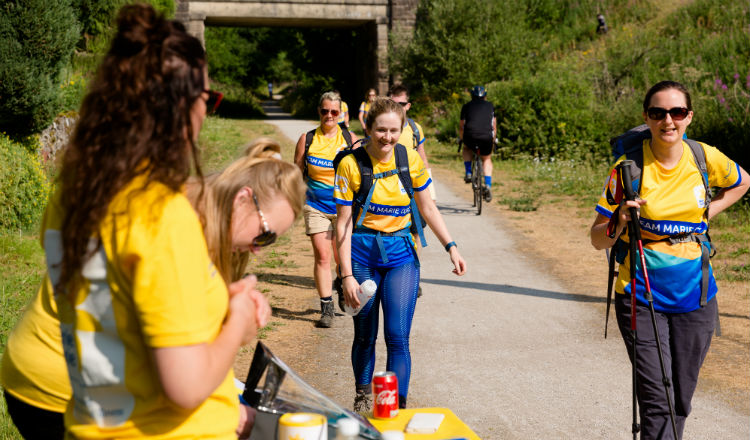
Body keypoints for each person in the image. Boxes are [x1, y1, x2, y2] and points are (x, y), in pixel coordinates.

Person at [0, 5, 271, 439]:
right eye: (209, 100)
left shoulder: (75, 194)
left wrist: (214, 304)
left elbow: (126, 314)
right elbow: (184, 386)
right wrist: (238, 318)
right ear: (180, 107)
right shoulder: (161, 214)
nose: (208, 114)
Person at [590, 80, 749, 439]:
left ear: (688, 116)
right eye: (658, 113)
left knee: (680, 398)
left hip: (697, 295)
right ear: (646, 118)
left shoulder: (703, 157)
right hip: (640, 295)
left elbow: (742, 181)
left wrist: (709, 211)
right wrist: (618, 221)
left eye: (677, 112)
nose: (668, 121)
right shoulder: (627, 169)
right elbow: (596, 238)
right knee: (657, 398)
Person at [334, 97, 467, 413]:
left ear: (402, 130)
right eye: (381, 130)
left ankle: (394, 406)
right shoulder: (350, 165)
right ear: (368, 128)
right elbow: (342, 226)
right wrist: (346, 275)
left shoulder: (409, 161)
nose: (387, 138)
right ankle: (363, 394)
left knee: (397, 336)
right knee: (365, 334)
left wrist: (452, 247)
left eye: (394, 131)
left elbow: (428, 207)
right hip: (362, 257)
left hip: (401, 257)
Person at [294, 92, 359, 328]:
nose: (329, 116)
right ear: (319, 111)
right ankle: (326, 308)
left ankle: (342, 282)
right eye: (325, 111)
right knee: (322, 256)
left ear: (340, 113)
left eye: (334, 111)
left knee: (342, 258)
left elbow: (359, 172)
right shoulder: (308, 139)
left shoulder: (349, 137)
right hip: (315, 205)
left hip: (343, 207)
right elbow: (296, 172)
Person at [460, 85, 497, 202]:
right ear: (485, 96)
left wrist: (461, 139)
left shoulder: (466, 107)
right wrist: (493, 139)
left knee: (466, 149)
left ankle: (468, 172)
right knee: (486, 159)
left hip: (470, 136)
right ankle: (488, 185)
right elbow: (494, 126)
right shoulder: (490, 106)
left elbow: (462, 126)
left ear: (472, 96)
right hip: (486, 137)